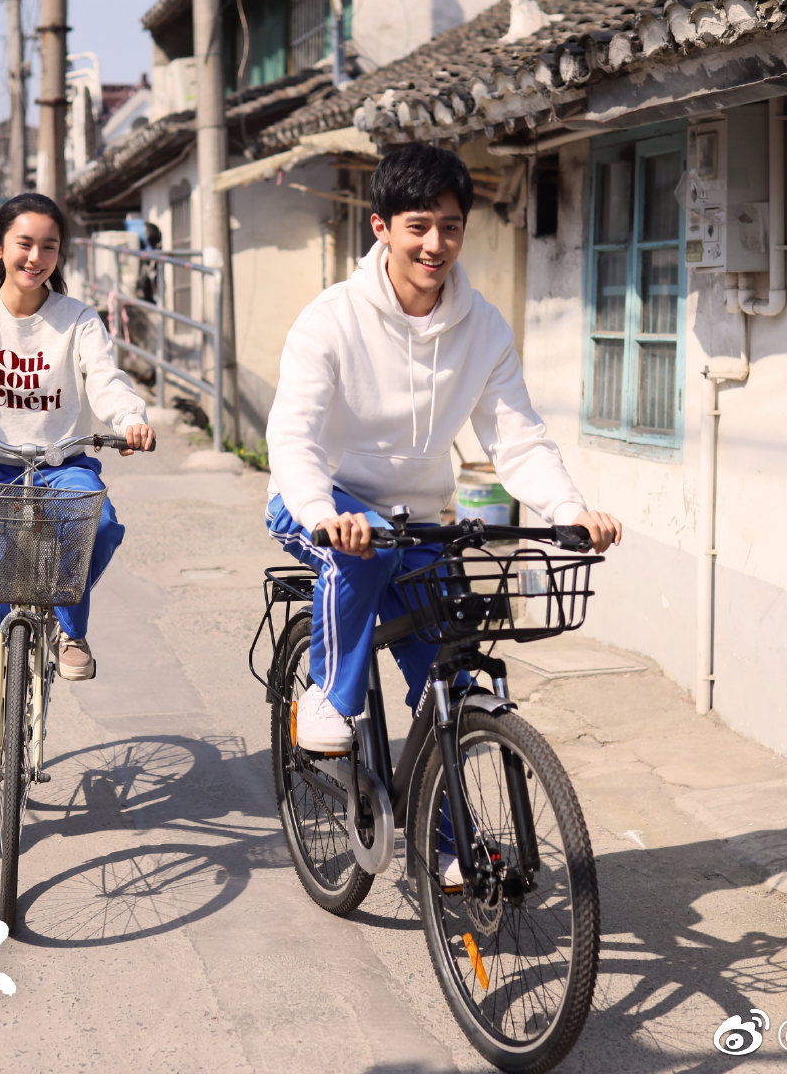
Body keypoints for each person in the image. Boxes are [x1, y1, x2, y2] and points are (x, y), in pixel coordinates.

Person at [264, 143, 622, 758]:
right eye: (419, 227)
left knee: (452, 682)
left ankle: (448, 817)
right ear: (381, 228)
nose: (436, 244)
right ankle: (329, 696)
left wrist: (570, 509)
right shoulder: (330, 320)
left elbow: (518, 438)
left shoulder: (484, 328)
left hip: (417, 522)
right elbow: (292, 435)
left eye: (450, 227)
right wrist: (322, 513)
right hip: (320, 505)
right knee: (363, 555)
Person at [0, 192, 155, 804]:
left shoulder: (78, 319)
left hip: (62, 467)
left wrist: (130, 419)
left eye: (48, 246)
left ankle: (68, 629)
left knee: (101, 522)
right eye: (24, 244)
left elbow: (105, 378)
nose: (35, 257)